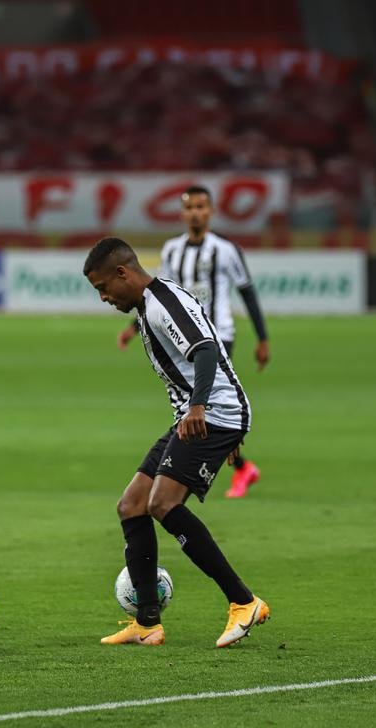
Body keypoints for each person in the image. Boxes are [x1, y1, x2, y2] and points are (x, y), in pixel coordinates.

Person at [86, 237, 270, 648]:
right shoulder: (148, 306)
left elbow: (205, 350)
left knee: (162, 504)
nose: (103, 297)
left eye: (103, 287)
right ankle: (147, 622)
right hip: (196, 417)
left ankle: (243, 601)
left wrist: (201, 408)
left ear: (123, 273)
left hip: (210, 415)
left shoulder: (161, 302)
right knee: (132, 505)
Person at [117, 185, 269, 499]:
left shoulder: (226, 249)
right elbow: (159, 296)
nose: (195, 213)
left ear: (211, 211)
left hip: (217, 337)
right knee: (191, 409)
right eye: (189, 208)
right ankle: (241, 465)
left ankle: (235, 462)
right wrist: (134, 328)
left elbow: (247, 291)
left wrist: (262, 338)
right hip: (180, 339)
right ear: (182, 213)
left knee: (202, 407)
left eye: (201, 207)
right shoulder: (172, 250)